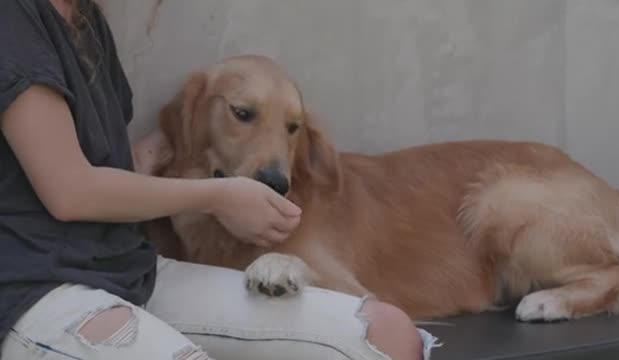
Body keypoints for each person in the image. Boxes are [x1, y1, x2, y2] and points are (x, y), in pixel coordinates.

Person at [0, 0, 438, 359]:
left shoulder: (85, 19)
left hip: (126, 269)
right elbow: (71, 192)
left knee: (388, 335)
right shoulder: (12, 18)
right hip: (37, 288)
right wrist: (219, 197)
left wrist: (180, 138)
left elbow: (110, 169)